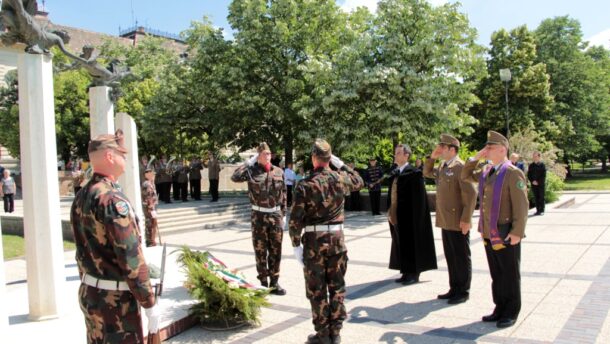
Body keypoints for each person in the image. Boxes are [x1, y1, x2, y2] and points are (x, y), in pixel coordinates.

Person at [70, 130, 159, 343]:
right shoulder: (111, 200)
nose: (125, 159)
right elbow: (130, 257)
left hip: (91, 293)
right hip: (116, 303)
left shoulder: (83, 194)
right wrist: (149, 302)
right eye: (122, 154)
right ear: (110, 156)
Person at [289, 139, 364, 344]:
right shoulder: (340, 178)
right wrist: (342, 165)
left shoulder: (305, 185)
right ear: (330, 158)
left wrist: (296, 245)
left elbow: (295, 221)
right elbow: (359, 180)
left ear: (314, 158)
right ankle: (336, 332)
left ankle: (323, 335)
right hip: (337, 242)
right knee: (337, 288)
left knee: (317, 290)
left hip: (314, 244)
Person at [461, 130, 529, 329]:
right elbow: (465, 175)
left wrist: (517, 231)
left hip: (506, 230)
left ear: (502, 149)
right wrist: (475, 157)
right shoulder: (487, 171)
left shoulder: (512, 172)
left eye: (490, 147)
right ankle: (499, 307)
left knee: (509, 272)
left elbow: (521, 205)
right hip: (489, 231)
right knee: (496, 272)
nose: (487, 150)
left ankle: (511, 311)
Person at [423, 134, 477, 305]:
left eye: (443, 148)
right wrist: (432, 157)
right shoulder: (443, 165)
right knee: (451, 256)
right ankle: (454, 287)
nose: (440, 150)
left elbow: (471, 193)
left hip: (458, 219)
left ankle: (463, 291)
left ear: (452, 149)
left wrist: (466, 219)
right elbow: (426, 172)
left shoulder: (460, 167)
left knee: (461, 256)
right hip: (446, 219)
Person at [231, 143, 287, 295]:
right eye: (264, 154)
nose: (268, 156)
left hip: (275, 216)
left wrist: (284, 214)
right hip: (259, 217)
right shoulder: (251, 171)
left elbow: (284, 193)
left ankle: (274, 283)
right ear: (258, 156)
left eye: (269, 153)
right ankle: (263, 283)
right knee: (260, 251)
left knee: (276, 250)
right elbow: (235, 177)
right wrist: (248, 162)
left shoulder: (279, 171)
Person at [387, 144, 437, 285]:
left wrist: (416, 218)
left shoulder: (414, 173)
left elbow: (419, 199)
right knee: (400, 243)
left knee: (411, 244)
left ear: (406, 155)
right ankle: (405, 271)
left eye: (398, 153)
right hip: (397, 215)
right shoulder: (396, 172)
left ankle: (414, 273)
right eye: (395, 153)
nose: (395, 155)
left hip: (410, 217)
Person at [141, 167, 159, 247]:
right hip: (149, 207)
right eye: (152, 174)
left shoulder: (150, 183)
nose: (153, 175)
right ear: (147, 174)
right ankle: (150, 241)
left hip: (151, 206)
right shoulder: (147, 184)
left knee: (153, 223)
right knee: (150, 223)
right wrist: (151, 207)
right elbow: (148, 197)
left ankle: (152, 240)